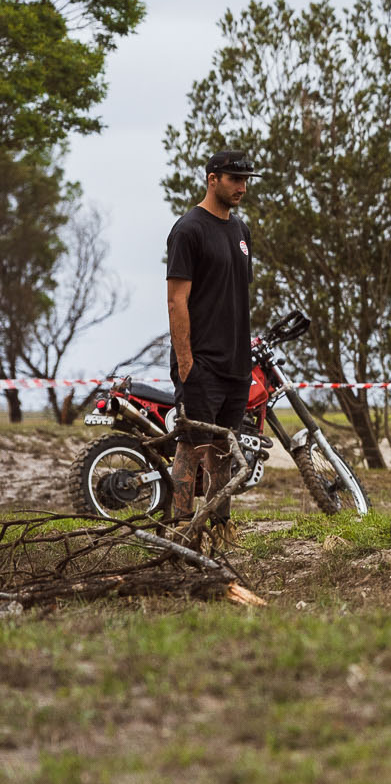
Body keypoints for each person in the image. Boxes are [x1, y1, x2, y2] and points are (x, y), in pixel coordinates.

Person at [166, 150, 261, 538]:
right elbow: (176, 301)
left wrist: (245, 357)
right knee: (191, 446)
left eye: (245, 180)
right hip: (200, 363)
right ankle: (179, 529)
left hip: (236, 364)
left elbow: (235, 294)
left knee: (225, 448)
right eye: (234, 179)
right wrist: (187, 364)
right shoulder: (188, 229)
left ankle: (220, 525)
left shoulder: (241, 232)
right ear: (212, 179)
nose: (241, 187)